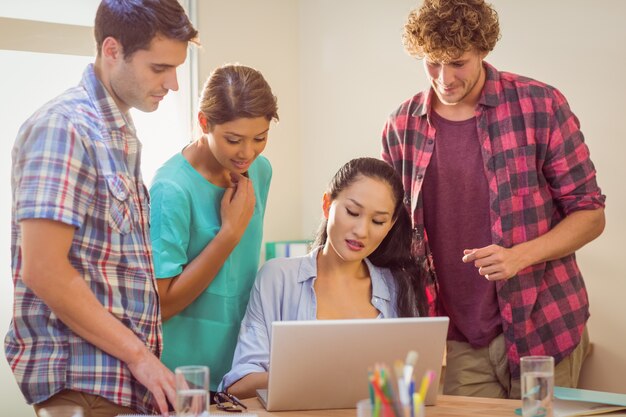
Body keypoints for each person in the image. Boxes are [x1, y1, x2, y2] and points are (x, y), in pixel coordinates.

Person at [381, 0, 606, 399]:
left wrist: (519, 255)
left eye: (457, 63)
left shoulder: (540, 105)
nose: (444, 78)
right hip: (459, 340)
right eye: (432, 63)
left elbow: (589, 213)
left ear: (483, 50)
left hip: (546, 326)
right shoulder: (402, 126)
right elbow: (389, 228)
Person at [5, 1, 198, 416]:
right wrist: (141, 357)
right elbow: (43, 269)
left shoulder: (118, 132)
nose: (174, 84)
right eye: (160, 68)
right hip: (85, 384)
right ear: (112, 50)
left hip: (116, 385)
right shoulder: (65, 127)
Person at [220, 157, 427, 399]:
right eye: (352, 212)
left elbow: (411, 390)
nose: (362, 231)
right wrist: (327, 378)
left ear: (390, 224)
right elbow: (239, 383)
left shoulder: (399, 288)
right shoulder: (278, 278)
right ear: (327, 204)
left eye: (378, 221)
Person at [149, 64, 279, 395]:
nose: (247, 153)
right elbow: (160, 305)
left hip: (241, 369)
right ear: (204, 122)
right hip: (181, 376)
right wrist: (229, 235)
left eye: (260, 138)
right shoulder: (171, 189)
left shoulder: (259, 171)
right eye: (234, 139)